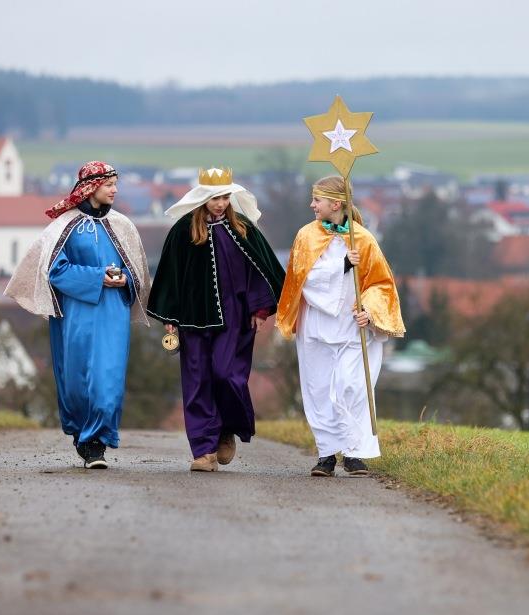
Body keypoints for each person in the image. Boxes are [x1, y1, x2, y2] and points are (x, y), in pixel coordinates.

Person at [5, 161, 150, 469]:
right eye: (109, 184)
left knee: (107, 379)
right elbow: (55, 271)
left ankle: (96, 442)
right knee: (76, 379)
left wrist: (124, 278)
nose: (114, 190)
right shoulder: (65, 226)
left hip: (113, 312)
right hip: (76, 313)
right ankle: (81, 434)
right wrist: (97, 277)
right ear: (91, 187)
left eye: (115, 184)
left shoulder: (123, 225)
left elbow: (137, 271)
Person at [147, 168, 285, 472]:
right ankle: (203, 450)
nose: (221, 203)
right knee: (197, 381)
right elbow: (171, 275)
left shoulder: (242, 228)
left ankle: (226, 429)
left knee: (226, 374)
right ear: (203, 198)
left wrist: (260, 309)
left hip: (235, 318)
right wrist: (170, 315)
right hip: (192, 318)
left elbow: (261, 270)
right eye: (214, 198)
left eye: (225, 197)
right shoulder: (183, 231)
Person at [275, 175, 405, 477]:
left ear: (336, 204)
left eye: (317, 200)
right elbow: (300, 279)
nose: (312, 205)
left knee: (352, 387)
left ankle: (354, 452)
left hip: (352, 329)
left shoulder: (364, 239)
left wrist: (369, 311)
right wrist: (342, 265)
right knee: (319, 390)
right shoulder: (306, 237)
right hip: (317, 327)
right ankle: (326, 454)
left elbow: (381, 284)